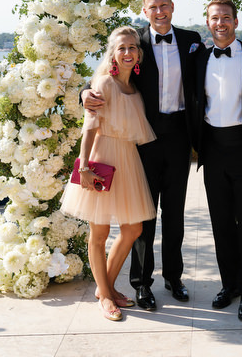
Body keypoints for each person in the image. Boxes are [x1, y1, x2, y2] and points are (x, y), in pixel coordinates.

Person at [82, 0, 203, 311]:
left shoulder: (192, 40)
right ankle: (141, 284)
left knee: (175, 213)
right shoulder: (135, 44)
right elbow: (108, 74)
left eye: (164, 5)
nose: (160, 11)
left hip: (179, 138)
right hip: (142, 143)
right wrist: (84, 92)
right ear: (145, 10)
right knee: (142, 218)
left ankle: (174, 278)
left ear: (173, 7)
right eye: (154, 6)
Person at [61, 26, 156, 321]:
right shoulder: (104, 83)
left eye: (132, 48)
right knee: (99, 232)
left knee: (133, 229)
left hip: (128, 159)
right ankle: (105, 296)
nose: (128, 52)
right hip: (102, 158)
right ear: (113, 54)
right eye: (122, 48)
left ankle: (106, 289)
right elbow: (88, 130)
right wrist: (85, 167)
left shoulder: (134, 88)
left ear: (139, 54)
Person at [194, 0, 242, 322]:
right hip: (213, 150)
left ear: (236, 22)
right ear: (208, 23)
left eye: (226, 17)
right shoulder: (197, 58)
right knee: (221, 223)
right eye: (215, 18)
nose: (220, 22)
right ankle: (230, 286)